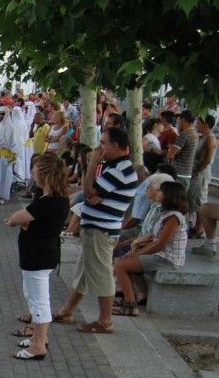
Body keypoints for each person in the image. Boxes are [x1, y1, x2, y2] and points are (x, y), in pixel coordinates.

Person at [53, 127, 139, 333]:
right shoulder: (113, 166)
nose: (99, 148)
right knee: (83, 273)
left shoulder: (120, 169)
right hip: (96, 228)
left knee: (101, 275)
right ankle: (67, 310)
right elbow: (89, 192)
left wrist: (92, 163)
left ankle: (105, 320)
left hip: (102, 230)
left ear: (115, 145)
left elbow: (89, 189)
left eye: (103, 143)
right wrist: (90, 192)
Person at [4, 154, 70, 360]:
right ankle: (38, 337)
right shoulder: (52, 198)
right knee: (33, 295)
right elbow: (24, 219)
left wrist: (20, 221)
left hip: (38, 255)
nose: (32, 174)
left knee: (39, 299)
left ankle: (39, 343)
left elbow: (18, 218)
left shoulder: (48, 202)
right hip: (40, 254)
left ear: (44, 175)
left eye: (35, 171)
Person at [113, 181, 189, 317]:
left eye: (161, 191)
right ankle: (131, 298)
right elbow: (154, 236)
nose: (158, 193)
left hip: (167, 258)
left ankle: (130, 306)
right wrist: (136, 248)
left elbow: (161, 243)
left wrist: (137, 254)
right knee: (125, 259)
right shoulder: (164, 213)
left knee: (120, 264)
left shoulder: (174, 217)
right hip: (161, 254)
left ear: (169, 195)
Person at [189, 115, 217, 238]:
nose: (197, 125)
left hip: (201, 173)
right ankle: (197, 227)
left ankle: (200, 229)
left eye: (199, 123)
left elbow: (207, 159)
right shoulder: (203, 137)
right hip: (197, 172)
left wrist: (197, 171)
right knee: (194, 198)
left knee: (199, 200)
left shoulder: (210, 138)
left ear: (206, 125)